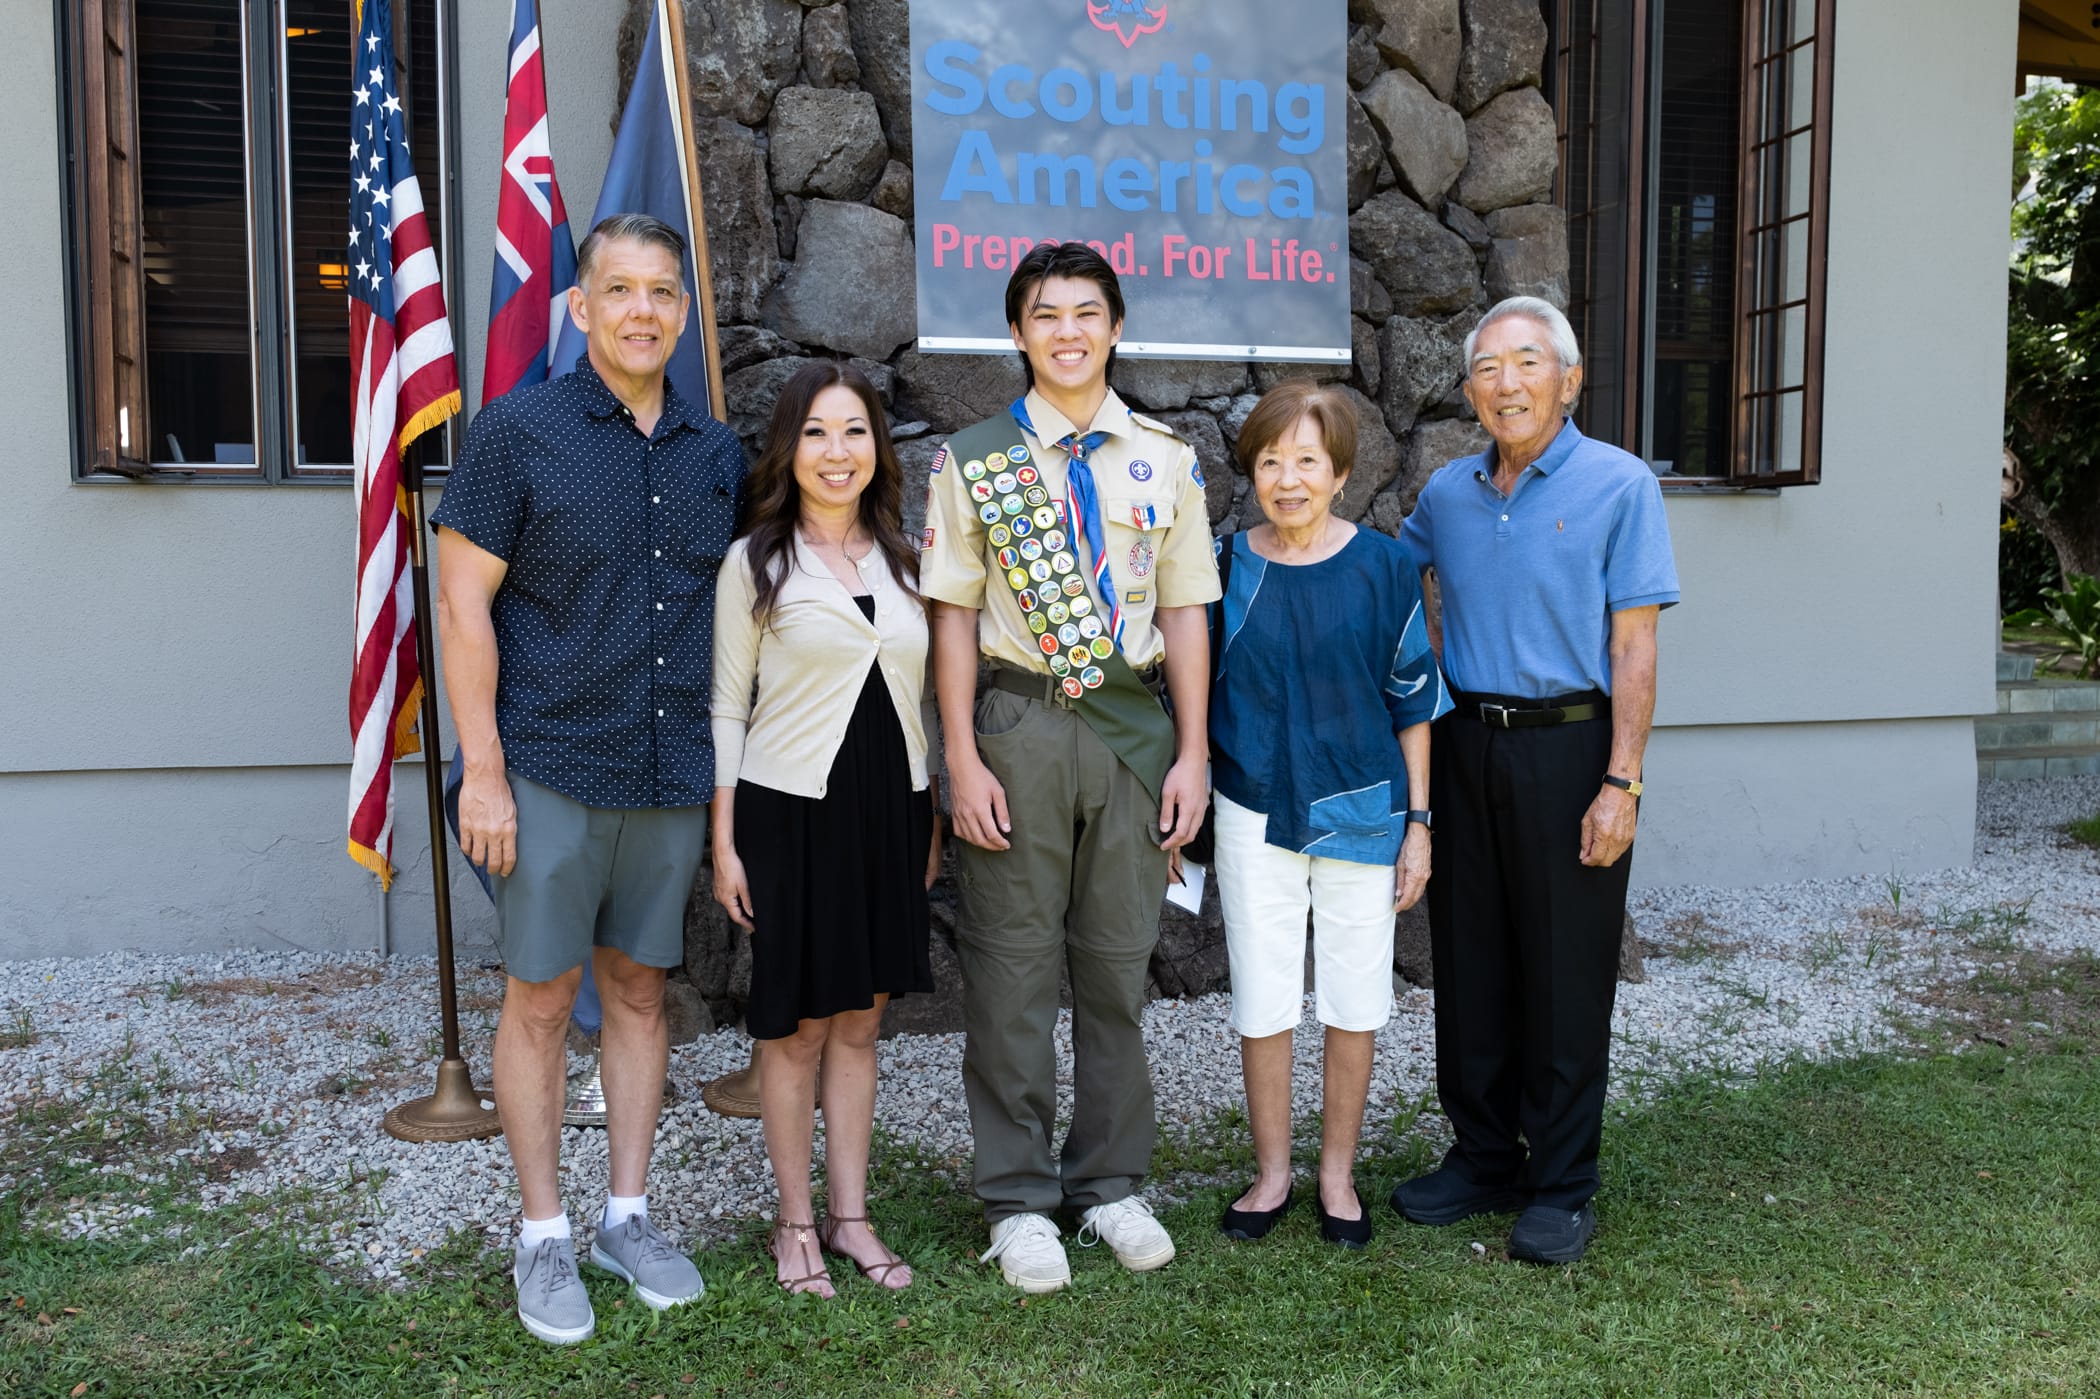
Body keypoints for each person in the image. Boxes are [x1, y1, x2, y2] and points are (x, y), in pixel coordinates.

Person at [434, 213, 746, 1343]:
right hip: (550, 764)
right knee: (538, 997)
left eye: (661, 292)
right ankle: (542, 1232)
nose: (642, 311)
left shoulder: (716, 454)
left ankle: (626, 1216)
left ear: (682, 311)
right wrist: (483, 771)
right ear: (580, 306)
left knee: (642, 991)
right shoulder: (518, 433)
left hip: (668, 769)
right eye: (619, 290)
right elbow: (460, 602)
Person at [921, 242, 1221, 1293]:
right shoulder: (976, 460)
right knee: (1010, 968)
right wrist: (961, 756)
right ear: (1018, 332)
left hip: (1133, 732)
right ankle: (1016, 1197)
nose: (1067, 332)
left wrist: (1192, 751)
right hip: (1019, 724)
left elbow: (1185, 610)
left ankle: (1109, 1182)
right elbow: (950, 618)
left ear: (1116, 326)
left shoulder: (1165, 458)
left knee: (1116, 961)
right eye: (1046, 314)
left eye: (1086, 312)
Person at [1392, 296, 1679, 1265]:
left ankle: (1560, 1183)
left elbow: (1634, 645)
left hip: (1572, 749)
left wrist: (1622, 783)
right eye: (1487, 368)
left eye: (1525, 363)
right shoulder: (1448, 493)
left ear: (1569, 379)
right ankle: (1483, 1156)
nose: (1505, 383)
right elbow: (1393, 585)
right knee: (1470, 961)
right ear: (1470, 390)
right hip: (1466, 740)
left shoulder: (1620, 485)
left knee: (1564, 973)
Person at [710, 361, 942, 1297]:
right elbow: (728, 704)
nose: (836, 451)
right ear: (789, 448)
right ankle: (794, 1221)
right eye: (815, 432)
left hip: (892, 808)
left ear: (877, 447)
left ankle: (850, 1216)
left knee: (863, 1018)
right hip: (791, 812)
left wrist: (928, 816)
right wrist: (725, 838)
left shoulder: (907, 558)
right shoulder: (756, 561)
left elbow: (921, 696)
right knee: (799, 1025)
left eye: (854, 431)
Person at [1206, 382, 1451, 1250]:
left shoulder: (1384, 567)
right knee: (1262, 992)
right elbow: (1193, 685)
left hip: (1360, 801)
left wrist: (1418, 822)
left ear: (1340, 473)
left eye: (1307, 460)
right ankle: (1272, 1172)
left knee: (1355, 991)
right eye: (1271, 460)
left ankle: (1336, 1174)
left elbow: (1413, 700)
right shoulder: (1224, 566)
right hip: (1252, 800)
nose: (1288, 478)